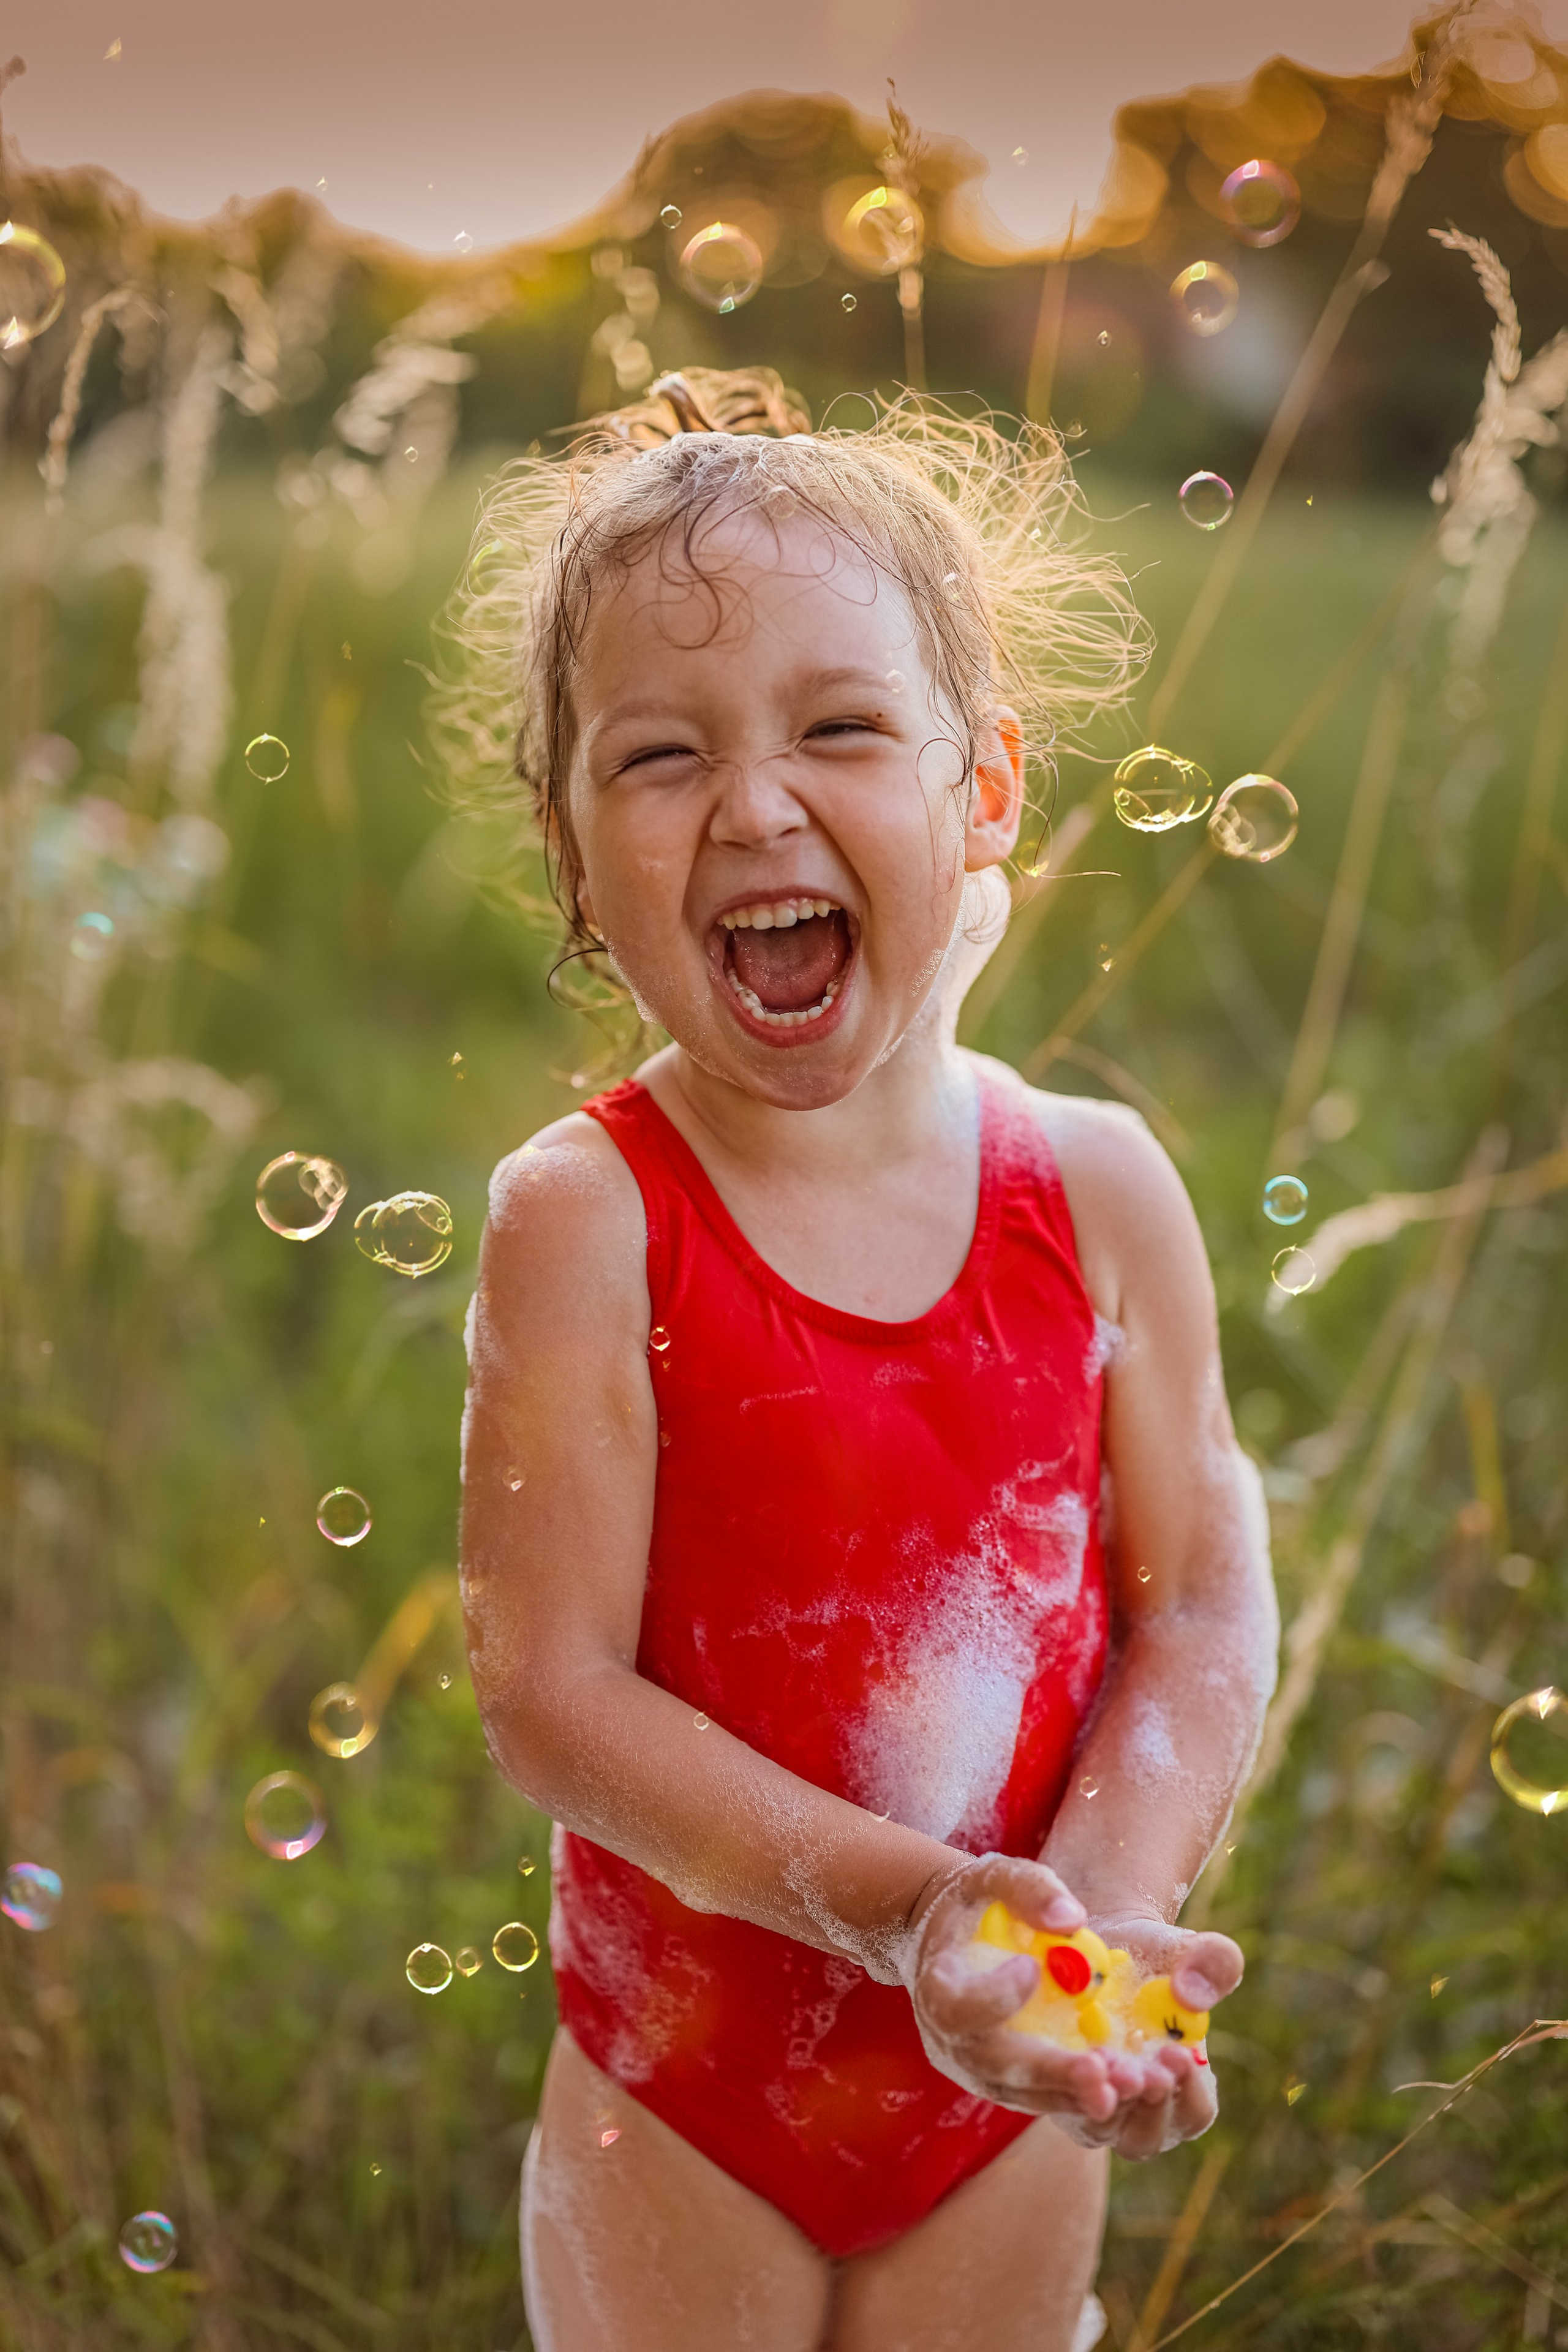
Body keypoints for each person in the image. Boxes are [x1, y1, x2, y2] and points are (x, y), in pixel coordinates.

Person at [445, 368, 1279, 2352]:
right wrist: (919, 1912)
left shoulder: (1099, 1191)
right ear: (574, 857)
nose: (752, 802)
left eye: (839, 727)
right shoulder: (591, 1215)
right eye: (655, 758)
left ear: (981, 789)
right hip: (691, 2084)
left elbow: (1203, 1605)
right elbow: (551, 1694)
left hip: (1016, 2076)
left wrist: (1075, 1947)